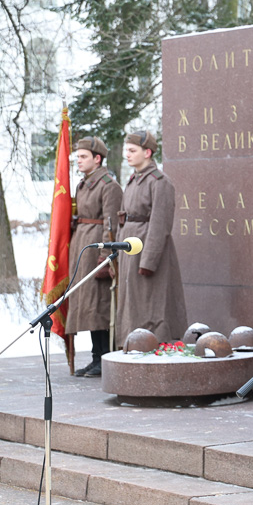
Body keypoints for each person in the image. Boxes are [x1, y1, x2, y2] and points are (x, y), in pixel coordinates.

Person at [114, 130, 187, 343]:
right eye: (126, 150)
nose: (127, 155)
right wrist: (117, 253)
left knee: (152, 303)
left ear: (147, 152)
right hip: (130, 248)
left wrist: (148, 260)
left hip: (147, 249)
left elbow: (160, 223)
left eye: (132, 150)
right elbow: (123, 218)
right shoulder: (133, 181)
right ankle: (133, 345)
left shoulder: (159, 181)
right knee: (132, 303)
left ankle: (153, 346)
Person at [65, 137, 123, 377]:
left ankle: (104, 357)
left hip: (97, 249)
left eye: (83, 156)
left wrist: (106, 257)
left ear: (97, 159)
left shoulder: (108, 185)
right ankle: (94, 357)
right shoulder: (82, 184)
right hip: (82, 246)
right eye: (77, 156)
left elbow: (110, 223)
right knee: (86, 307)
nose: (78, 160)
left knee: (100, 306)